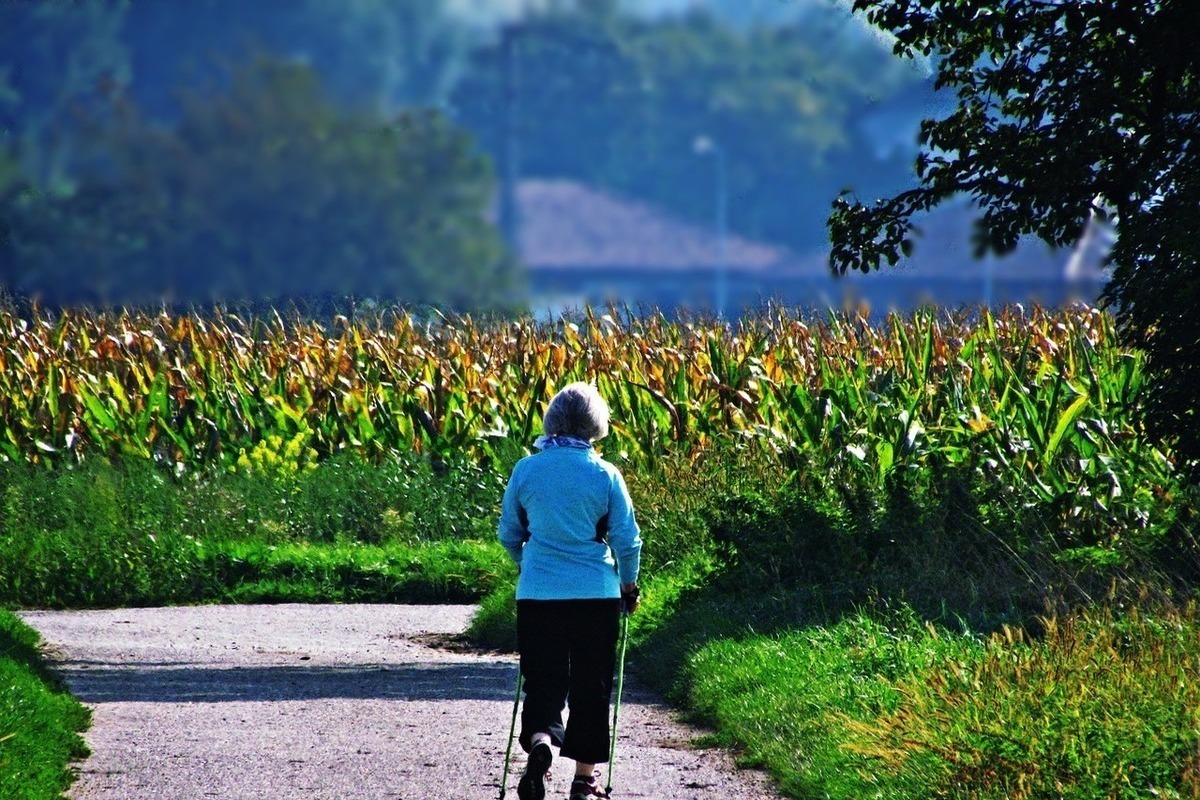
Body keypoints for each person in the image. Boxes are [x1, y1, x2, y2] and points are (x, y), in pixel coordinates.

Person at [498, 381, 642, 800]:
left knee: (542, 679)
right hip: (595, 596)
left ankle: (541, 741)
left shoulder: (526, 469)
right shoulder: (605, 474)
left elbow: (509, 532)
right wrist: (628, 586)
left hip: (538, 595)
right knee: (591, 685)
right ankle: (584, 779)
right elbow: (627, 540)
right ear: (596, 424)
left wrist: (529, 563)